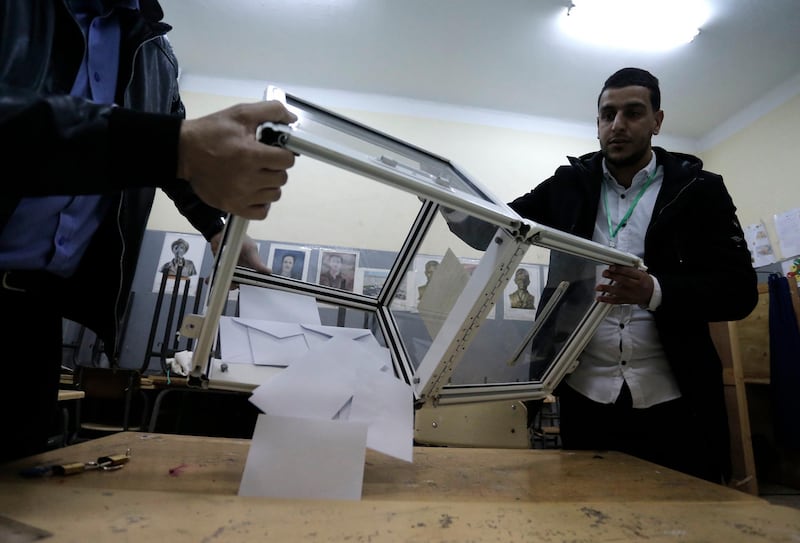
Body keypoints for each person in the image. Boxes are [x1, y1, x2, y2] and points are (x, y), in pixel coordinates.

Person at [0, 0, 297, 462]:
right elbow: (174, 148)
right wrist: (175, 147)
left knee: (20, 478)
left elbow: (175, 156)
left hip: (36, 313)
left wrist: (217, 231)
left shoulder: (155, 53)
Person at [449, 68, 757, 483]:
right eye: (607, 114)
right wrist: (444, 195)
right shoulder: (568, 186)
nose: (618, 125)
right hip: (585, 396)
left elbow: (739, 292)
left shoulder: (699, 190)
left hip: (677, 398)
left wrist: (655, 290)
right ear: (596, 123)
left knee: (684, 518)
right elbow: (498, 228)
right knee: (586, 515)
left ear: (657, 121)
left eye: (632, 113)